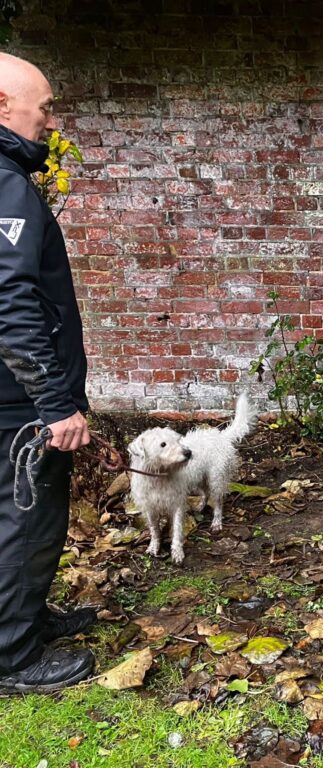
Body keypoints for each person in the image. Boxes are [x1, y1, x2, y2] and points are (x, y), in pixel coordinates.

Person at [0, 53, 96, 692]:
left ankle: (26, 619)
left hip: (15, 396)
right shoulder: (4, 184)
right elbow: (9, 301)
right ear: (4, 107)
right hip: (19, 403)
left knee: (25, 515)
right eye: (46, 105)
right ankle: (14, 655)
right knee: (23, 517)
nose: (51, 119)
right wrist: (56, 403)